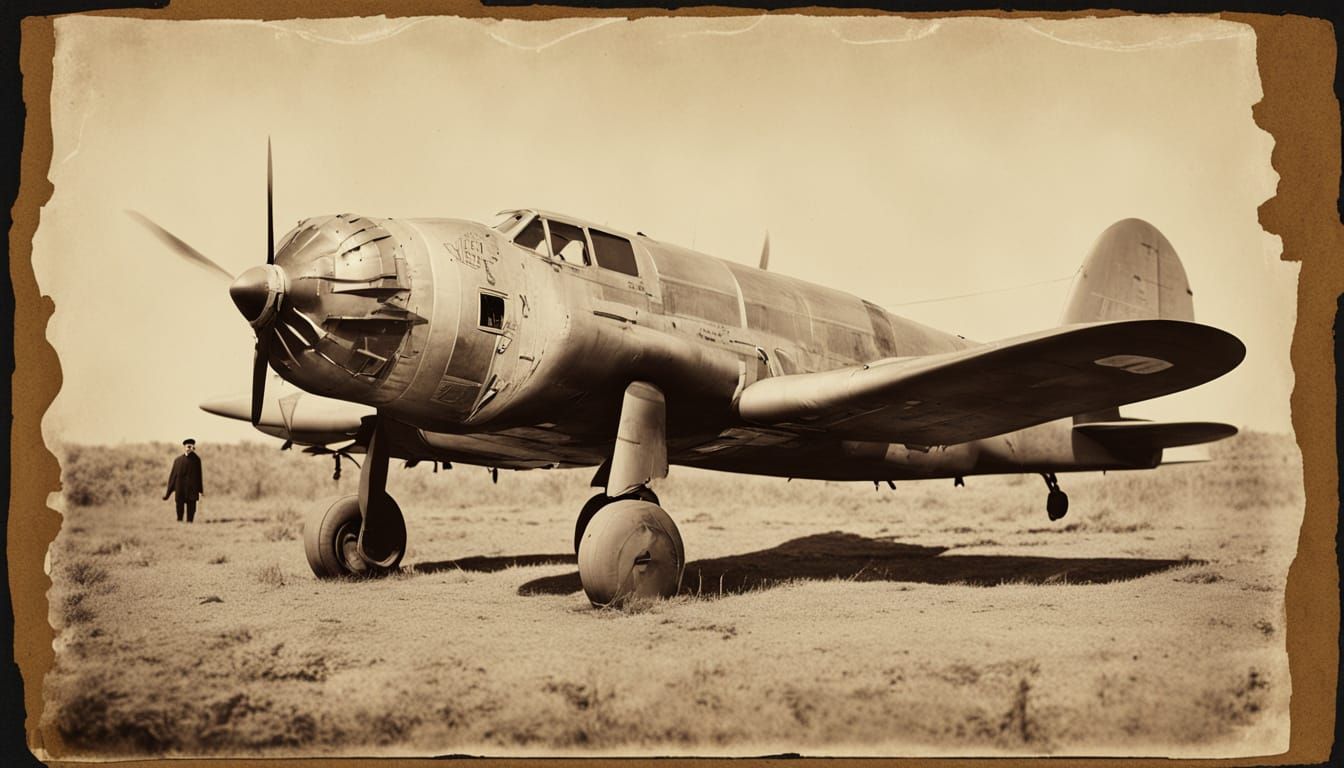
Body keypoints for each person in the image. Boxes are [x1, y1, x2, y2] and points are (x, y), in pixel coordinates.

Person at [163, 438, 204, 523]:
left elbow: (199, 476)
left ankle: (190, 522)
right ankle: (179, 521)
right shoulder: (178, 460)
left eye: (192, 447)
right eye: (188, 446)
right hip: (180, 488)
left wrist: (200, 490)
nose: (190, 448)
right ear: (184, 447)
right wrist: (168, 493)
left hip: (192, 489)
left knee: (191, 507)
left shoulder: (196, 460)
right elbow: (173, 476)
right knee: (179, 506)